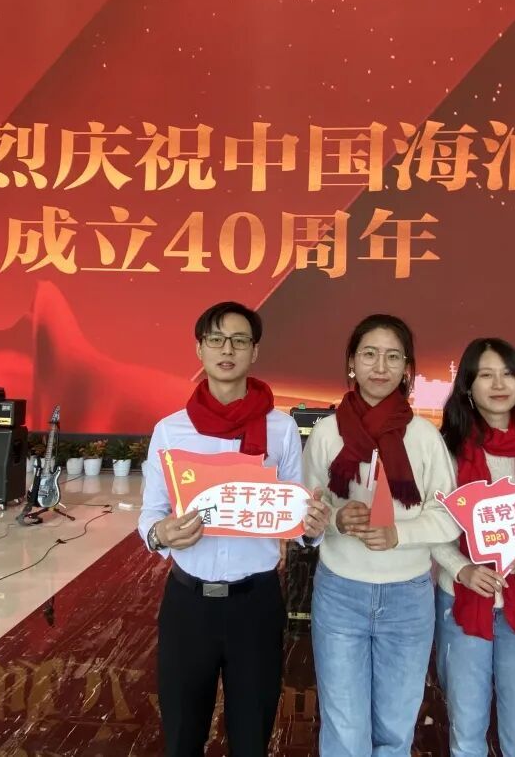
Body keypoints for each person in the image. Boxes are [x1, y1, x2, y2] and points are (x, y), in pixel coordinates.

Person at [137, 301, 330, 757]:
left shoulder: (280, 429)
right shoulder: (171, 430)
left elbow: (296, 512)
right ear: (200, 349)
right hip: (188, 605)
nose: (228, 349)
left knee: (251, 737)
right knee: (182, 738)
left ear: (254, 351)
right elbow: (150, 515)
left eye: (239, 340)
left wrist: (312, 524)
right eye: (217, 340)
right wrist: (161, 534)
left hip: (255, 605)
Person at [302, 314, 460, 757]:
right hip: (340, 594)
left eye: (393, 357)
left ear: (407, 369)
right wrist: (336, 519)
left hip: (408, 598)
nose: (380, 366)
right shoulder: (327, 433)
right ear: (351, 363)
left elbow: (448, 517)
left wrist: (398, 534)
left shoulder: (424, 437)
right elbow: (306, 511)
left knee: (395, 728)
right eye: (369, 354)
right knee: (344, 725)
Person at [432, 338, 515, 757]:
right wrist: (461, 568)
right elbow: (432, 522)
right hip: (463, 601)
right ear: (467, 386)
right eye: (485, 375)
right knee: (466, 727)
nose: (498, 384)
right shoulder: (446, 449)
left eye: (507, 374)